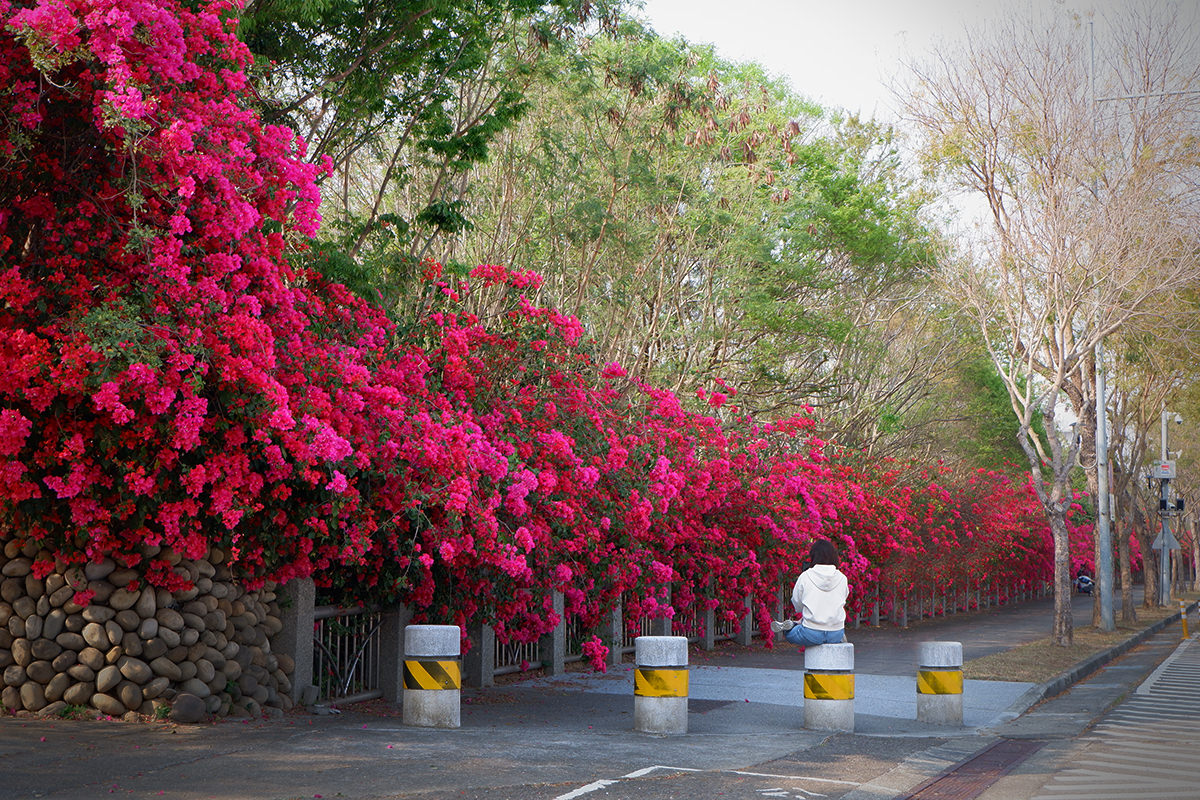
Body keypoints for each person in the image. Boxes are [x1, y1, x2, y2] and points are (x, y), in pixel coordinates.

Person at [770, 539, 850, 647]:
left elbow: (797, 602)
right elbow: (843, 598)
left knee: (789, 633)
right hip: (836, 633)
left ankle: (794, 624)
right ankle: (836, 638)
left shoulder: (806, 576)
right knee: (829, 630)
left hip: (811, 634)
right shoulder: (842, 578)